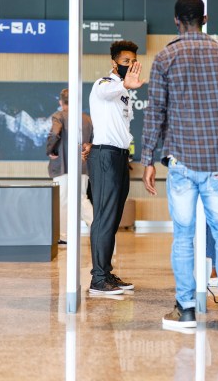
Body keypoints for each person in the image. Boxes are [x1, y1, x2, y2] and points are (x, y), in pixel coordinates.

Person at [141, 0, 218, 330]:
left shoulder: (165, 58)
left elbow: (155, 114)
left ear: (176, 20)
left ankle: (185, 309)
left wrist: (147, 159)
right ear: (204, 19)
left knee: (184, 235)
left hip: (182, 162)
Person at [87, 40, 144, 296]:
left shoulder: (123, 93)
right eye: (125, 62)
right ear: (114, 63)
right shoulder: (104, 84)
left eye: (133, 62)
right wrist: (124, 83)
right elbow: (105, 93)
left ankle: (106, 273)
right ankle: (98, 279)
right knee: (104, 218)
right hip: (105, 156)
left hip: (120, 158)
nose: (130, 66)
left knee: (113, 219)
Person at [45, 88, 94, 245]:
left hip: (62, 167)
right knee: (82, 199)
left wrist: (50, 150)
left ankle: (64, 236)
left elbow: (54, 134)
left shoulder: (59, 116)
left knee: (63, 201)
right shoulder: (87, 119)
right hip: (83, 166)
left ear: (61, 102)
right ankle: (97, 229)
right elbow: (93, 141)